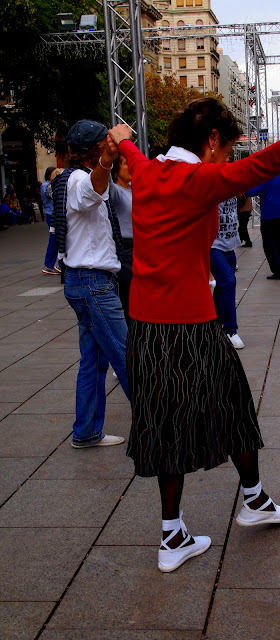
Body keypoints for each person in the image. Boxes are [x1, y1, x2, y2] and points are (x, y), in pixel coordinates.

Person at [107, 91, 280, 572]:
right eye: (228, 147)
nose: (229, 156)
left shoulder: (148, 169)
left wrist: (123, 139)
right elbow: (268, 161)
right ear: (212, 139)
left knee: (161, 426)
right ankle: (251, 503)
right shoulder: (198, 178)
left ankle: (175, 534)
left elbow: (128, 147)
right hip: (191, 325)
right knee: (233, 407)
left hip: (146, 326)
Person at [51, 119, 129, 449]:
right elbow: (91, 192)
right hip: (92, 283)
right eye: (106, 145)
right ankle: (163, 427)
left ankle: (86, 431)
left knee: (94, 362)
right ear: (97, 149)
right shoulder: (79, 179)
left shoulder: (72, 178)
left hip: (84, 281)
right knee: (127, 357)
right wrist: (109, 160)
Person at [210, 197, 244, 349]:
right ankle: (230, 330)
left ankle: (214, 326)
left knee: (222, 286)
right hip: (213, 245)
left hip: (229, 245)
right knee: (229, 281)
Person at [245, 174, 280, 279]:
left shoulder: (265, 177)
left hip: (269, 215)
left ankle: (278, 270)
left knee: (270, 245)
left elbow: (250, 192)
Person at [110, 154, 134, 319]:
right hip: (125, 249)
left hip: (139, 247)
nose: (130, 167)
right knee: (129, 294)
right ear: (117, 170)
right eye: (126, 164)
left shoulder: (132, 188)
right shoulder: (116, 191)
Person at [41, 166, 61, 275]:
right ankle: (49, 264)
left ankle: (54, 264)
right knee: (55, 239)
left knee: (56, 239)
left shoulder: (48, 185)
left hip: (53, 214)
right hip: (52, 215)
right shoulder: (47, 186)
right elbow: (54, 196)